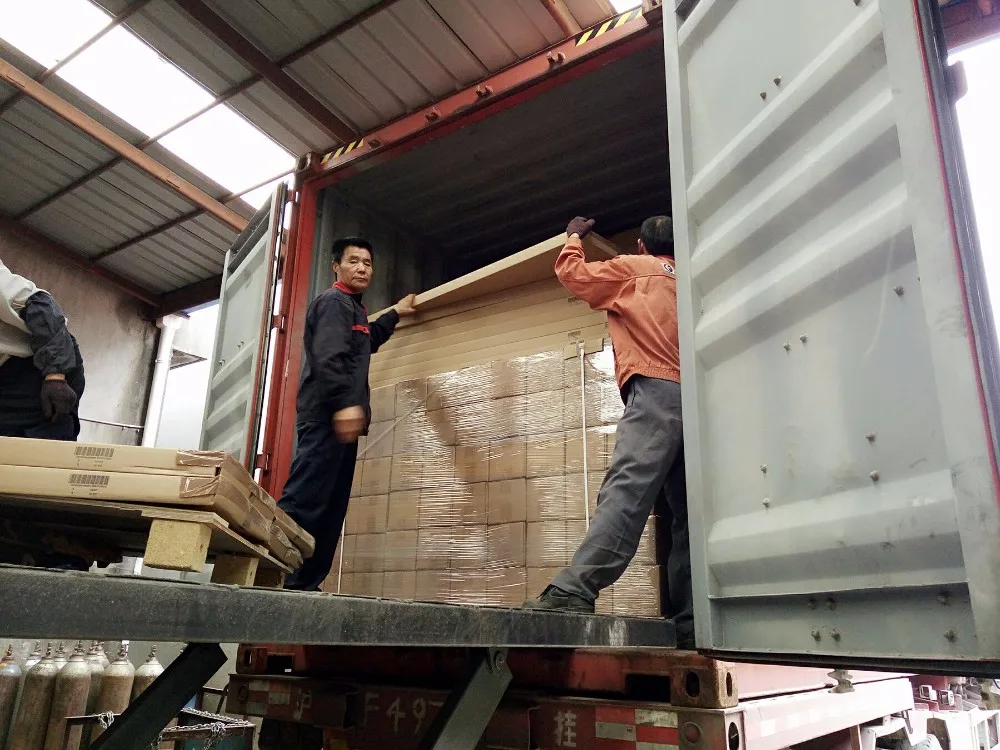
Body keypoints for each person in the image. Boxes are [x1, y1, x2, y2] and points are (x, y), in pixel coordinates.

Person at [523, 215, 694, 648]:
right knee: (688, 516)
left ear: (641, 245)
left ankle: (576, 588)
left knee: (626, 492)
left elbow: (574, 275)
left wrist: (573, 237)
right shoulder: (694, 280)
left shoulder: (633, 269)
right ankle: (693, 620)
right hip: (697, 400)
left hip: (655, 393)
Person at [279, 237, 417, 591]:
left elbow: (366, 342)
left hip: (341, 424)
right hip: (326, 418)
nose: (362, 268)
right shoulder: (333, 303)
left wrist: (395, 313)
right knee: (306, 499)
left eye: (367, 263)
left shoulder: (354, 309)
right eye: (353, 261)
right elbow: (329, 358)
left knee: (331, 506)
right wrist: (344, 405)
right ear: (336, 266)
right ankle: (278, 575)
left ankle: (305, 583)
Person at [0, 258, 85, 441]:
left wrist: (55, 375)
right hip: (9, 368)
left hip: (44, 359)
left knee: (39, 437)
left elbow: (41, 305)